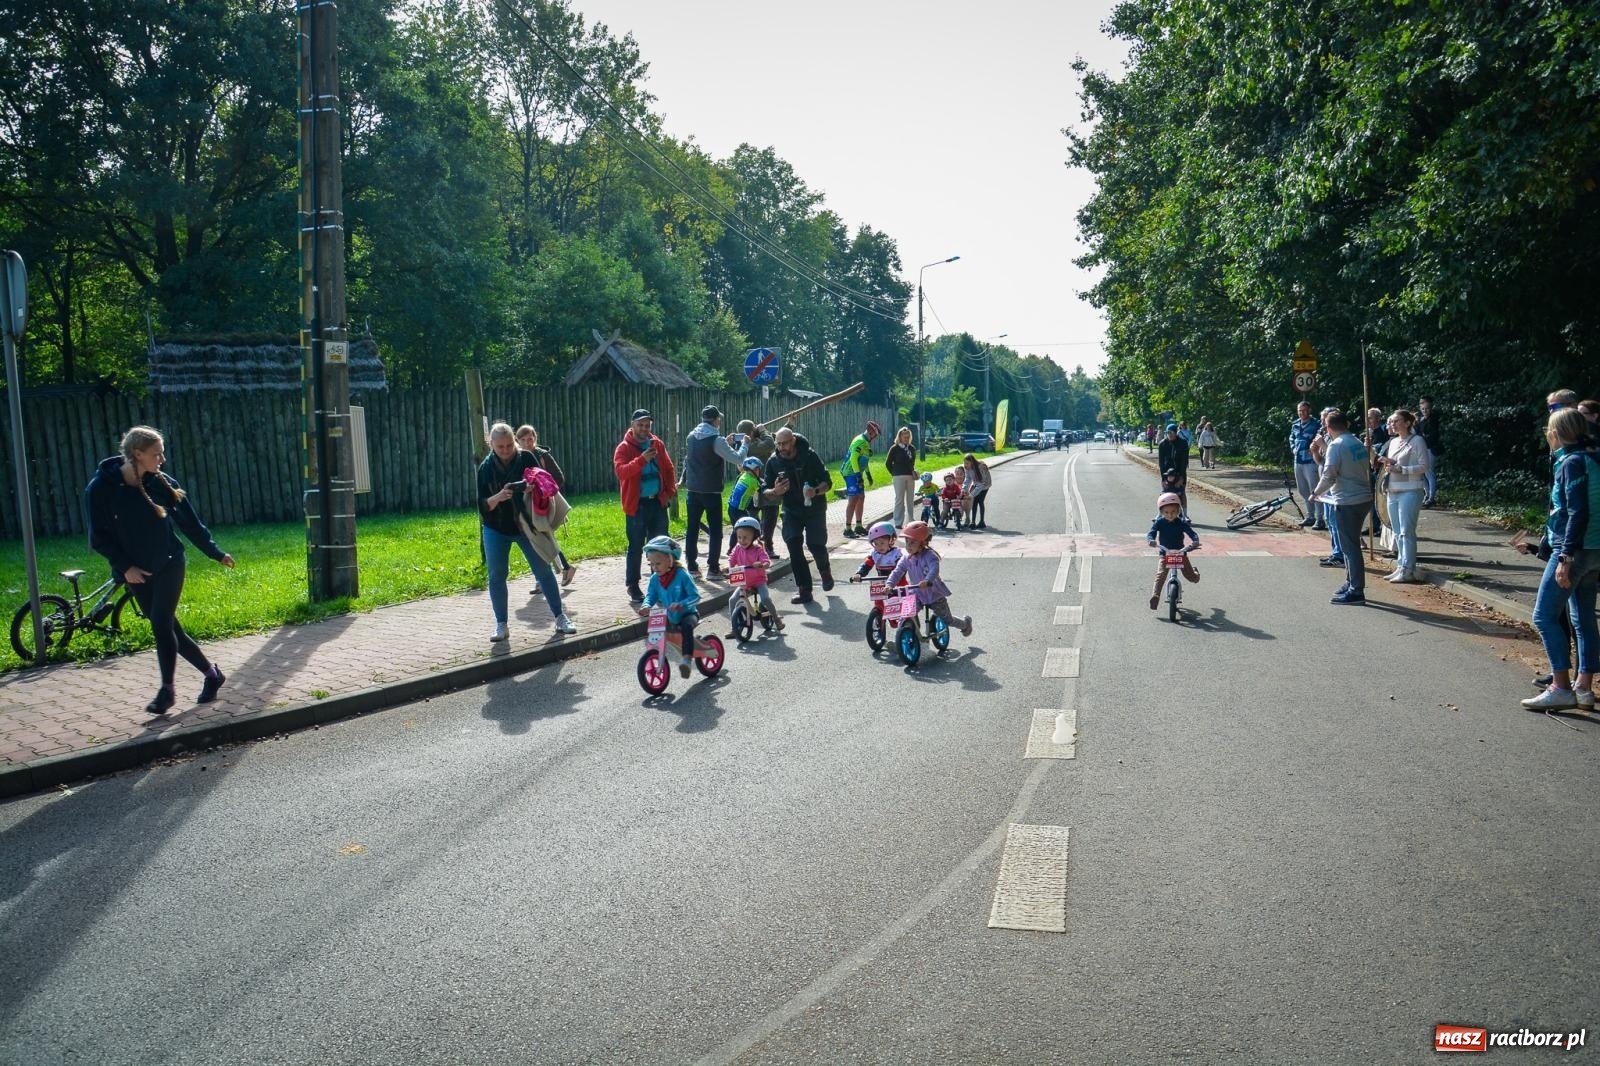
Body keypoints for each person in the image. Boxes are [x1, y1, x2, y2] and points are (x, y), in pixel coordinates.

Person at [86, 425, 236, 714]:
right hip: (136, 570)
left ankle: (167, 691)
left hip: (169, 562)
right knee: (170, 629)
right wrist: (125, 566)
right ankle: (212, 674)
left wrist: (215, 553)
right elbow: (98, 537)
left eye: (162, 453)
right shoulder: (100, 489)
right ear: (137, 454)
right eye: (157, 454)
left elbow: (190, 523)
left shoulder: (161, 483)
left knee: (160, 622)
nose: (162, 459)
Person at [1521, 409, 1600, 710]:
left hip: (1574, 550)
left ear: (1556, 433)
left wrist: (1565, 555)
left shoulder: (1571, 462)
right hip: (1594, 550)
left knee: (1543, 616)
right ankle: (1584, 688)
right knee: (1583, 618)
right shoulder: (1593, 456)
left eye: (1548, 430)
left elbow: (1577, 511)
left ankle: (1560, 687)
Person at [478, 423, 577, 641]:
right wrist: (498, 496)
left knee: (543, 571)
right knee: (497, 575)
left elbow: (545, 481)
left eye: (508, 445)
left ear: (514, 440)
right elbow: (482, 505)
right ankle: (501, 625)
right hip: (496, 528)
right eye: (500, 446)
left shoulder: (525, 457)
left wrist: (530, 485)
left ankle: (560, 618)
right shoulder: (485, 468)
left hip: (526, 526)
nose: (505, 450)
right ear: (491, 444)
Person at [762, 426, 834, 604]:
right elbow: (764, 490)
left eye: (785, 443)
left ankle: (824, 571)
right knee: (793, 546)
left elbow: (828, 481)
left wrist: (816, 491)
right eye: (778, 444)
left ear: (793, 440)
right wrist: (775, 491)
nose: (781, 448)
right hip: (791, 509)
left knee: (815, 544)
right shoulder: (773, 461)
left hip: (814, 508)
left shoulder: (810, 456)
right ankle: (804, 590)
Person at [1308, 410, 1373, 605]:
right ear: (1347, 424)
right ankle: (1350, 581)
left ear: (1328, 427)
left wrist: (1316, 493)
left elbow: (1329, 474)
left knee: (1349, 547)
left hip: (1347, 500)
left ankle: (1356, 590)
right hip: (1362, 497)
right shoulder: (1357, 442)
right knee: (1350, 545)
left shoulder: (1336, 446)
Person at [614, 409, 676, 604]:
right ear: (632, 426)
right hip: (636, 505)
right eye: (640, 425)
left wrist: (668, 493)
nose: (644, 428)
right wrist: (642, 460)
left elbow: (668, 468)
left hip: (657, 502)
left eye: (647, 425)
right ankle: (633, 586)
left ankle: (659, 584)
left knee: (660, 546)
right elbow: (621, 473)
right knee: (635, 547)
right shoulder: (623, 448)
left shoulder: (657, 443)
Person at [682, 404, 747, 577]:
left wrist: (727, 442)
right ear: (716, 420)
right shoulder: (717, 440)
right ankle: (712, 568)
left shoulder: (691, 437)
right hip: (711, 491)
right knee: (716, 531)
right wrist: (745, 444)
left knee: (692, 529)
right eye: (719, 419)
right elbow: (737, 458)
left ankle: (692, 567)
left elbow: (689, 460)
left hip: (693, 490)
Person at [635, 535, 709, 679]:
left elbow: (695, 596)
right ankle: (656, 653)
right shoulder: (655, 579)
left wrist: (681, 604)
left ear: (669, 560)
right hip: (669, 616)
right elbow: (651, 595)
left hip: (688, 614)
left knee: (686, 627)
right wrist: (646, 605)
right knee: (660, 630)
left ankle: (687, 661)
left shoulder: (682, 575)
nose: (654, 568)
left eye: (658, 563)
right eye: (651, 564)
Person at [516, 425, 576, 593]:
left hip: (543, 504)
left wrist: (542, 488)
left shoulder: (542, 455)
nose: (528, 443)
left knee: (541, 539)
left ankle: (547, 576)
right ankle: (560, 569)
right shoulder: (517, 456)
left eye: (530, 439)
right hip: (526, 505)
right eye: (523, 440)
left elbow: (558, 477)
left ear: (535, 438)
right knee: (540, 540)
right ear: (517, 440)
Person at [884, 520, 972, 637]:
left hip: (934, 594)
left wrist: (928, 580)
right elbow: (897, 571)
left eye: (912, 543)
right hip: (916, 593)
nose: (908, 546)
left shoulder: (930, 556)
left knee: (947, 619)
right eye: (907, 542)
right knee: (906, 614)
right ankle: (903, 637)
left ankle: (965, 624)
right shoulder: (906, 557)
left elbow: (934, 569)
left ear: (923, 542)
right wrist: (889, 584)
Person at [1377, 409, 1431, 583]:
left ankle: (1409, 568)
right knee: (1398, 531)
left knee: (1407, 531)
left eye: (1396, 421)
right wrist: (1388, 465)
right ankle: (1401, 566)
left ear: (1407, 423)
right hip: (1393, 489)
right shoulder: (1393, 443)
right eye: (1391, 421)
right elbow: (1394, 465)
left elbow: (1424, 466)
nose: (1392, 424)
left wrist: (1402, 469)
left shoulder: (1417, 441)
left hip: (1411, 490)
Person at [726, 517, 783, 634]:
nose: (742, 540)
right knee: (732, 600)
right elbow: (732, 558)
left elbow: (767, 561)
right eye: (739, 537)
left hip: (758, 580)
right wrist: (729, 567)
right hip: (744, 582)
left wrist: (762, 564)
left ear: (754, 536)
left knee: (765, 599)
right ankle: (734, 627)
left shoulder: (758, 549)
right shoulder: (737, 548)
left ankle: (776, 619)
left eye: (745, 537)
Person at [1146, 490, 1200, 609]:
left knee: (1190, 576)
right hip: (1165, 553)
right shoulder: (1159, 522)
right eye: (1166, 512)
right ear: (1161, 512)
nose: (1170, 515)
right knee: (1161, 575)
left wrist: (1195, 541)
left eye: (1173, 512)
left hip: (1180, 552)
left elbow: (1192, 533)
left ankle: (1196, 575)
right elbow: (1151, 532)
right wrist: (1151, 540)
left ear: (1179, 511)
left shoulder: (1181, 523)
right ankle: (1155, 596)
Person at [737, 419, 782, 561]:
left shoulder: (745, 444)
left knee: (763, 519)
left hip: (756, 486)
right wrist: (763, 430)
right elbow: (769, 444)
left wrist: (789, 425)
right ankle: (764, 548)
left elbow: (777, 438)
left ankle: (761, 547)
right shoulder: (750, 445)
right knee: (766, 520)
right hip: (760, 486)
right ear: (751, 432)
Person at [839, 419, 882, 537]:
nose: (875, 438)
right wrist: (858, 476)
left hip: (857, 472)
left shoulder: (866, 443)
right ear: (870, 432)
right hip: (850, 472)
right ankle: (847, 528)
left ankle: (858, 526)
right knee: (853, 499)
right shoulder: (859, 441)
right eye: (874, 435)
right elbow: (853, 459)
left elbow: (864, 460)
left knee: (861, 497)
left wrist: (868, 474)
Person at [1290, 401, 1323, 529]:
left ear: (1309, 410)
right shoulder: (1295, 424)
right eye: (1299, 410)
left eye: (1304, 410)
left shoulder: (1316, 424)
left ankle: (1320, 518)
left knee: (1314, 490)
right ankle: (1310, 516)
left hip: (1311, 461)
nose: (1301, 413)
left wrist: (1316, 448)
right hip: (1298, 460)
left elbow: (1320, 438)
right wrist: (1293, 447)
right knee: (1303, 490)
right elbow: (1292, 438)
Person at [726, 456, 765, 552]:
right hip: (738, 510)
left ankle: (731, 550)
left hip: (732, 508)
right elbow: (763, 488)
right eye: (757, 469)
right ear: (752, 470)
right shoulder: (752, 481)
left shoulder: (743, 475)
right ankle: (750, 550)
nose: (759, 472)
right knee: (749, 527)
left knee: (737, 529)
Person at [849, 520, 905, 585]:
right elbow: (866, 565)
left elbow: (901, 568)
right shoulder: (875, 554)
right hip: (882, 586)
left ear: (891, 540)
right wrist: (859, 573)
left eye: (882, 543)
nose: (879, 546)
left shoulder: (897, 554)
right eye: (876, 544)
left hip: (899, 586)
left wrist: (895, 576)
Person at [886, 426, 918, 527]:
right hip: (898, 476)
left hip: (910, 477)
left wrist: (913, 472)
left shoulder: (912, 448)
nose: (906, 439)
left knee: (910, 499)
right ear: (900, 437)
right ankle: (898, 522)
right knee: (899, 499)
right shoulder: (894, 448)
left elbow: (912, 463)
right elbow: (887, 463)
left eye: (908, 437)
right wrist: (894, 473)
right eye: (904, 437)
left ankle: (911, 520)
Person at [1157, 422, 1190, 518]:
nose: (1169, 435)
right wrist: (1163, 478)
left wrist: (1181, 478)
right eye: (1168, 433)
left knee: (1181, 493)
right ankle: (1161, 513)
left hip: (1180, 472)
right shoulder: (1162, 444)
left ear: (1176, 433)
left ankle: (1185, 514)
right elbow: (1161, 463)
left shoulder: (1183, 443)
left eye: (1171, 432)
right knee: (1165, 492)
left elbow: (1184, 462)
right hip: (1167, 473)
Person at [1416, 396, 1443, 506]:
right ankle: (1427, 495)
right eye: (1422, 409)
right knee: (1422, 473)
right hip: (1422, 448)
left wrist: (1423, 437)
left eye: (1426, 408)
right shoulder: (1421, 420)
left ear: (1430, 408)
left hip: (1430, 449)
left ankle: (1431, 498)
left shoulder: (1434, 420)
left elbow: (1433, 436)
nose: (1425, 411)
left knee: (1429, 473)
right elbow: (1419, 434)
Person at [961, 453, 993, 528]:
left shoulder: (980, 467)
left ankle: (982, 522)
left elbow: (981, 484)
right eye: (964, 463)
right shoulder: (967, 468)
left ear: (972, 462)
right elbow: (968, 479)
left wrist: (971, 495)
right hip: (976, 484)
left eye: (967, 463)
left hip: (985, 485)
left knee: (980, 501)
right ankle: (973, 522)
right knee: (974, 501)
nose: (965, 465)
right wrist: (964, 489)